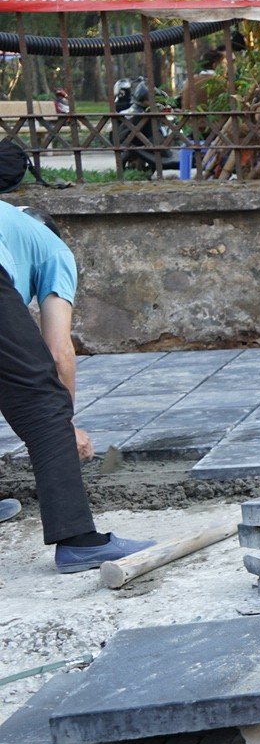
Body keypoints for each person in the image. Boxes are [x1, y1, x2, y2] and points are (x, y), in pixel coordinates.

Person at [0, 146, 152, 571]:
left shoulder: (8, 227)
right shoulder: (54, 251)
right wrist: (66, 423)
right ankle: (79, 540)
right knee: (43, 403)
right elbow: (58, 350)